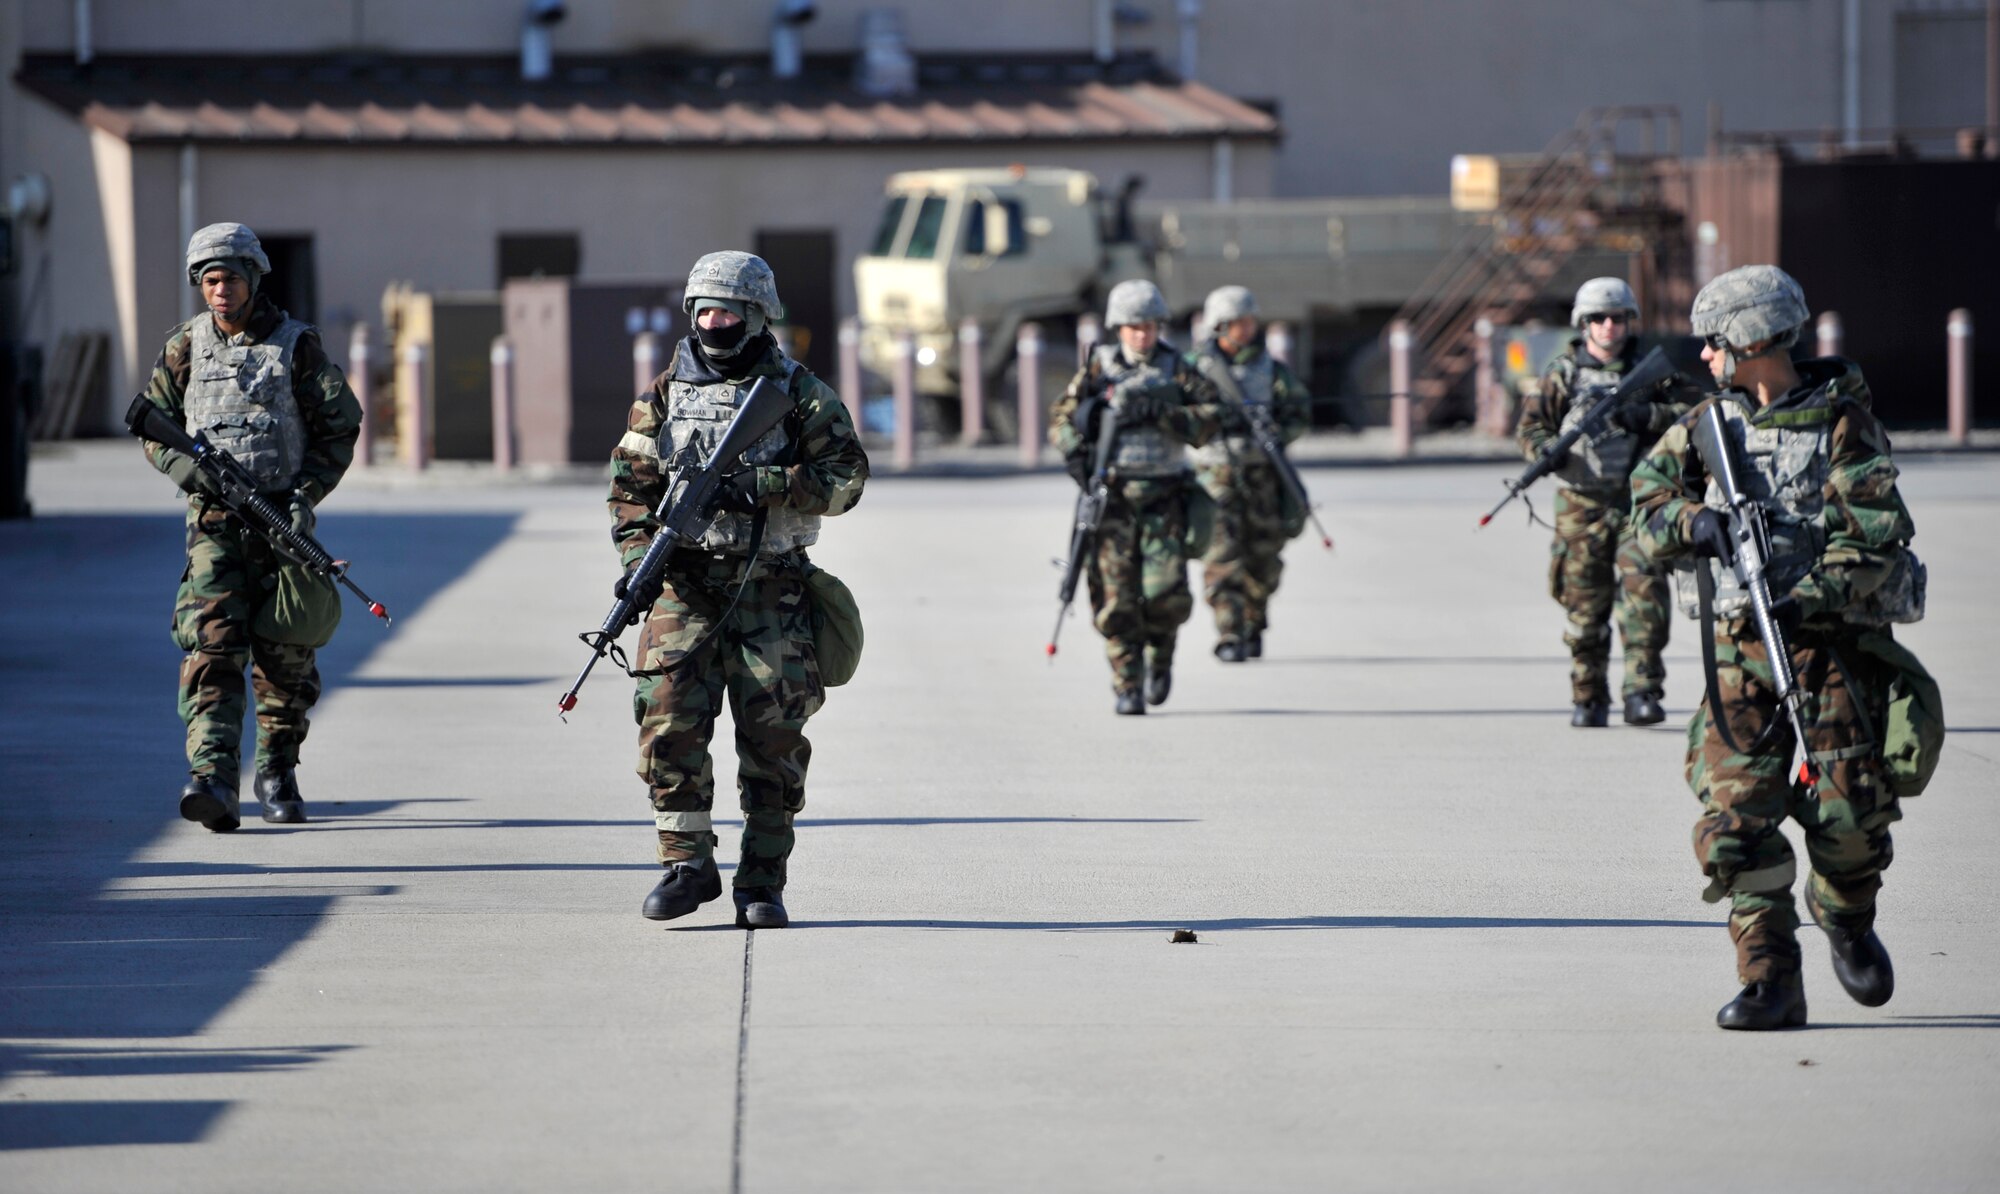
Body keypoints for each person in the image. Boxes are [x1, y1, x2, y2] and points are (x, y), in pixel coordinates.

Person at [1631, 265, 1926, 1030]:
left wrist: (1808, 597)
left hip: (1828, 654)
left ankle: (1846, 915)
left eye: (1714, 341)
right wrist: (1695, 523)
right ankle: (1771, 978)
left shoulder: (1842, 422)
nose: (1704, 357)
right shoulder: (1705, 425)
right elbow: (1648, 501)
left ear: (1753, 339)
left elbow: (1875, 539)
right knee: (1734, 822)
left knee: (1850, 820)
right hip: (1738, 653)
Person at [608, 251, 867, 928]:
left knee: (773, 741)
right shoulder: (663, 394)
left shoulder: (798, 391)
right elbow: (631, 488)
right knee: (666, 724)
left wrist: (766, 485)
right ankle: (686, 865)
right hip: (685, 588)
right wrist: (639, 559)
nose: (713, 323)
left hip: (771, 588)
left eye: (726, 312)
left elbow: (847, 475)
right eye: (702, 312)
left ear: (756, 316)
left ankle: (762, 883)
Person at [136, 222, 363, 831]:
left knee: (286, 653)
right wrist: (192, 472)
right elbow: (152, 426)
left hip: (281, 525)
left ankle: (276, 770)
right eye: (209, 279)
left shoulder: (297, 346)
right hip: (213, 526)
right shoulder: (185, 347)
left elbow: (340, 426)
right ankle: (212, 777)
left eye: (230, 277)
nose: (219, 290)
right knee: (212, 646)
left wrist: (304, 496)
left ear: (254, 279)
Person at [1516, 277, 1693, 727]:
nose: (1609, 326)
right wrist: (1546, 453)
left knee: (1645, 599)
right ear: (1584, 323)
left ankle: (1642, 692)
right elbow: (1531, 428)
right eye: (1599, 318)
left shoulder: (1652, 371)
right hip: (1582, 505)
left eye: (1617, 317)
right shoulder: (1563, 374)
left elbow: (1697, 413)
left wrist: (1645, 415)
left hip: (1639, 502)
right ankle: (1589, 695)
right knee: (1583, 605)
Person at [1048, 279, 1221, 715]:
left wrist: (1164, 414)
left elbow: (1210, 419)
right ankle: (1127, 683)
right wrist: (1075, 453)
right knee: (1115, 598)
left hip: (1165, 496)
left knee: (1165, 594)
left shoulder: (1177, 367)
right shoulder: (1098, 368)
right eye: (1132, 327)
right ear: (1117, 329)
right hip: (1113, 498)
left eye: (1149, 326)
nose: (1142, 335)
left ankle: (1160, 658)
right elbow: (1062, 417)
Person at [1184, 285, 1312, 662]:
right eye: (1240, 322)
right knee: (1222, 557)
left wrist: (1276, 431)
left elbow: (1298, 412)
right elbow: (1178, 417)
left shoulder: (1271, 370)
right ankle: (1229, 632)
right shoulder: (1196, 368)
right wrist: (1212, 423)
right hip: (1215, 477)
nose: (1248, 328)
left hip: (1262, 476)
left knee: (1264, 560)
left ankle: (1253, 622)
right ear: (1220, 326)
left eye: (1250, 321)